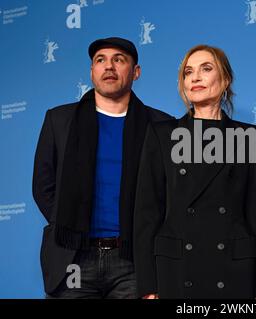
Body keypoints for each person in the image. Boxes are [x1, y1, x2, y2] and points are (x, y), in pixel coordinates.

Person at [32, 37, 173, 298]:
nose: (109, 67)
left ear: (136, 72)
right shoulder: (59, 119)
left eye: (119, 60)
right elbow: (43, 186)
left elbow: (170, 193)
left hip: (134, 260)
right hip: (73, 258)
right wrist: (67, 221)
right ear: (92, 71)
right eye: (100, 60)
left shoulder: (162, 125)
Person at [133, 44, 256, 299]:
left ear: (225, 80)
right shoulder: (161, 134)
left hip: (235, 272)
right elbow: (147, 214)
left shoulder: (250, 137)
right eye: (188, 72)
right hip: (176, 271)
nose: (195, 77)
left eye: (206, 69)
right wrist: (148, 287)